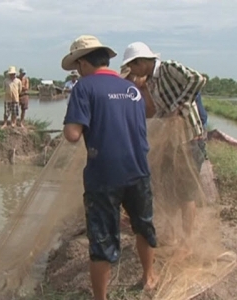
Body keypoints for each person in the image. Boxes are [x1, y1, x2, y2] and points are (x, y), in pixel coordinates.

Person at [62, 35, 157, 300]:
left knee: (102, 241)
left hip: (103, 177)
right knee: (144, 225)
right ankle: (149, 278)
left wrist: (73, 122)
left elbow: (72, 134)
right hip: (138, 171)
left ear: (82, 64)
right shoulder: (132, 89)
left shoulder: (84, 87)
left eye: (76, 67)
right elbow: (147, 114)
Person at [121, 42, 206, 251]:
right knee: (167, 189)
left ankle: (187, 242)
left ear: (141, 62)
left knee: (186, 192)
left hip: (189, 139)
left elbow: (198, 79)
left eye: (133, 68)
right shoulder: (150, 83)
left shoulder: (168, 68)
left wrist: (180, 105)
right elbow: (160, 111)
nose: (133, 73)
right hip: (171, 141)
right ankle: (172, 235)